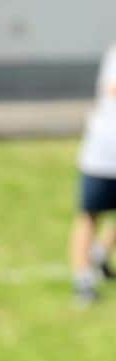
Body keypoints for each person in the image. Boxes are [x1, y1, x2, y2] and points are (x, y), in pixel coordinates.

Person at [70, 42, 116, 306]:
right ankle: (83, 281)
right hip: (104, 153)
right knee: (89, 215)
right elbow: (113, 87)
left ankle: (99, 256)